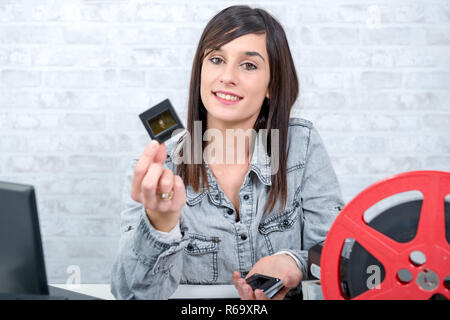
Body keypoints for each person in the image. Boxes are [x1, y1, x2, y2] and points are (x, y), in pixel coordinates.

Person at [111, 5, 344, 300]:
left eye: (249, 65)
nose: (227, 76)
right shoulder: (160, 171)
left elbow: (339, 259)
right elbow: (131, 295)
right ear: (201, 72)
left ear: (272, 84)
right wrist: (160, 224)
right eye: (217, 59)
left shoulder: (301, 144)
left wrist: (292, 262)